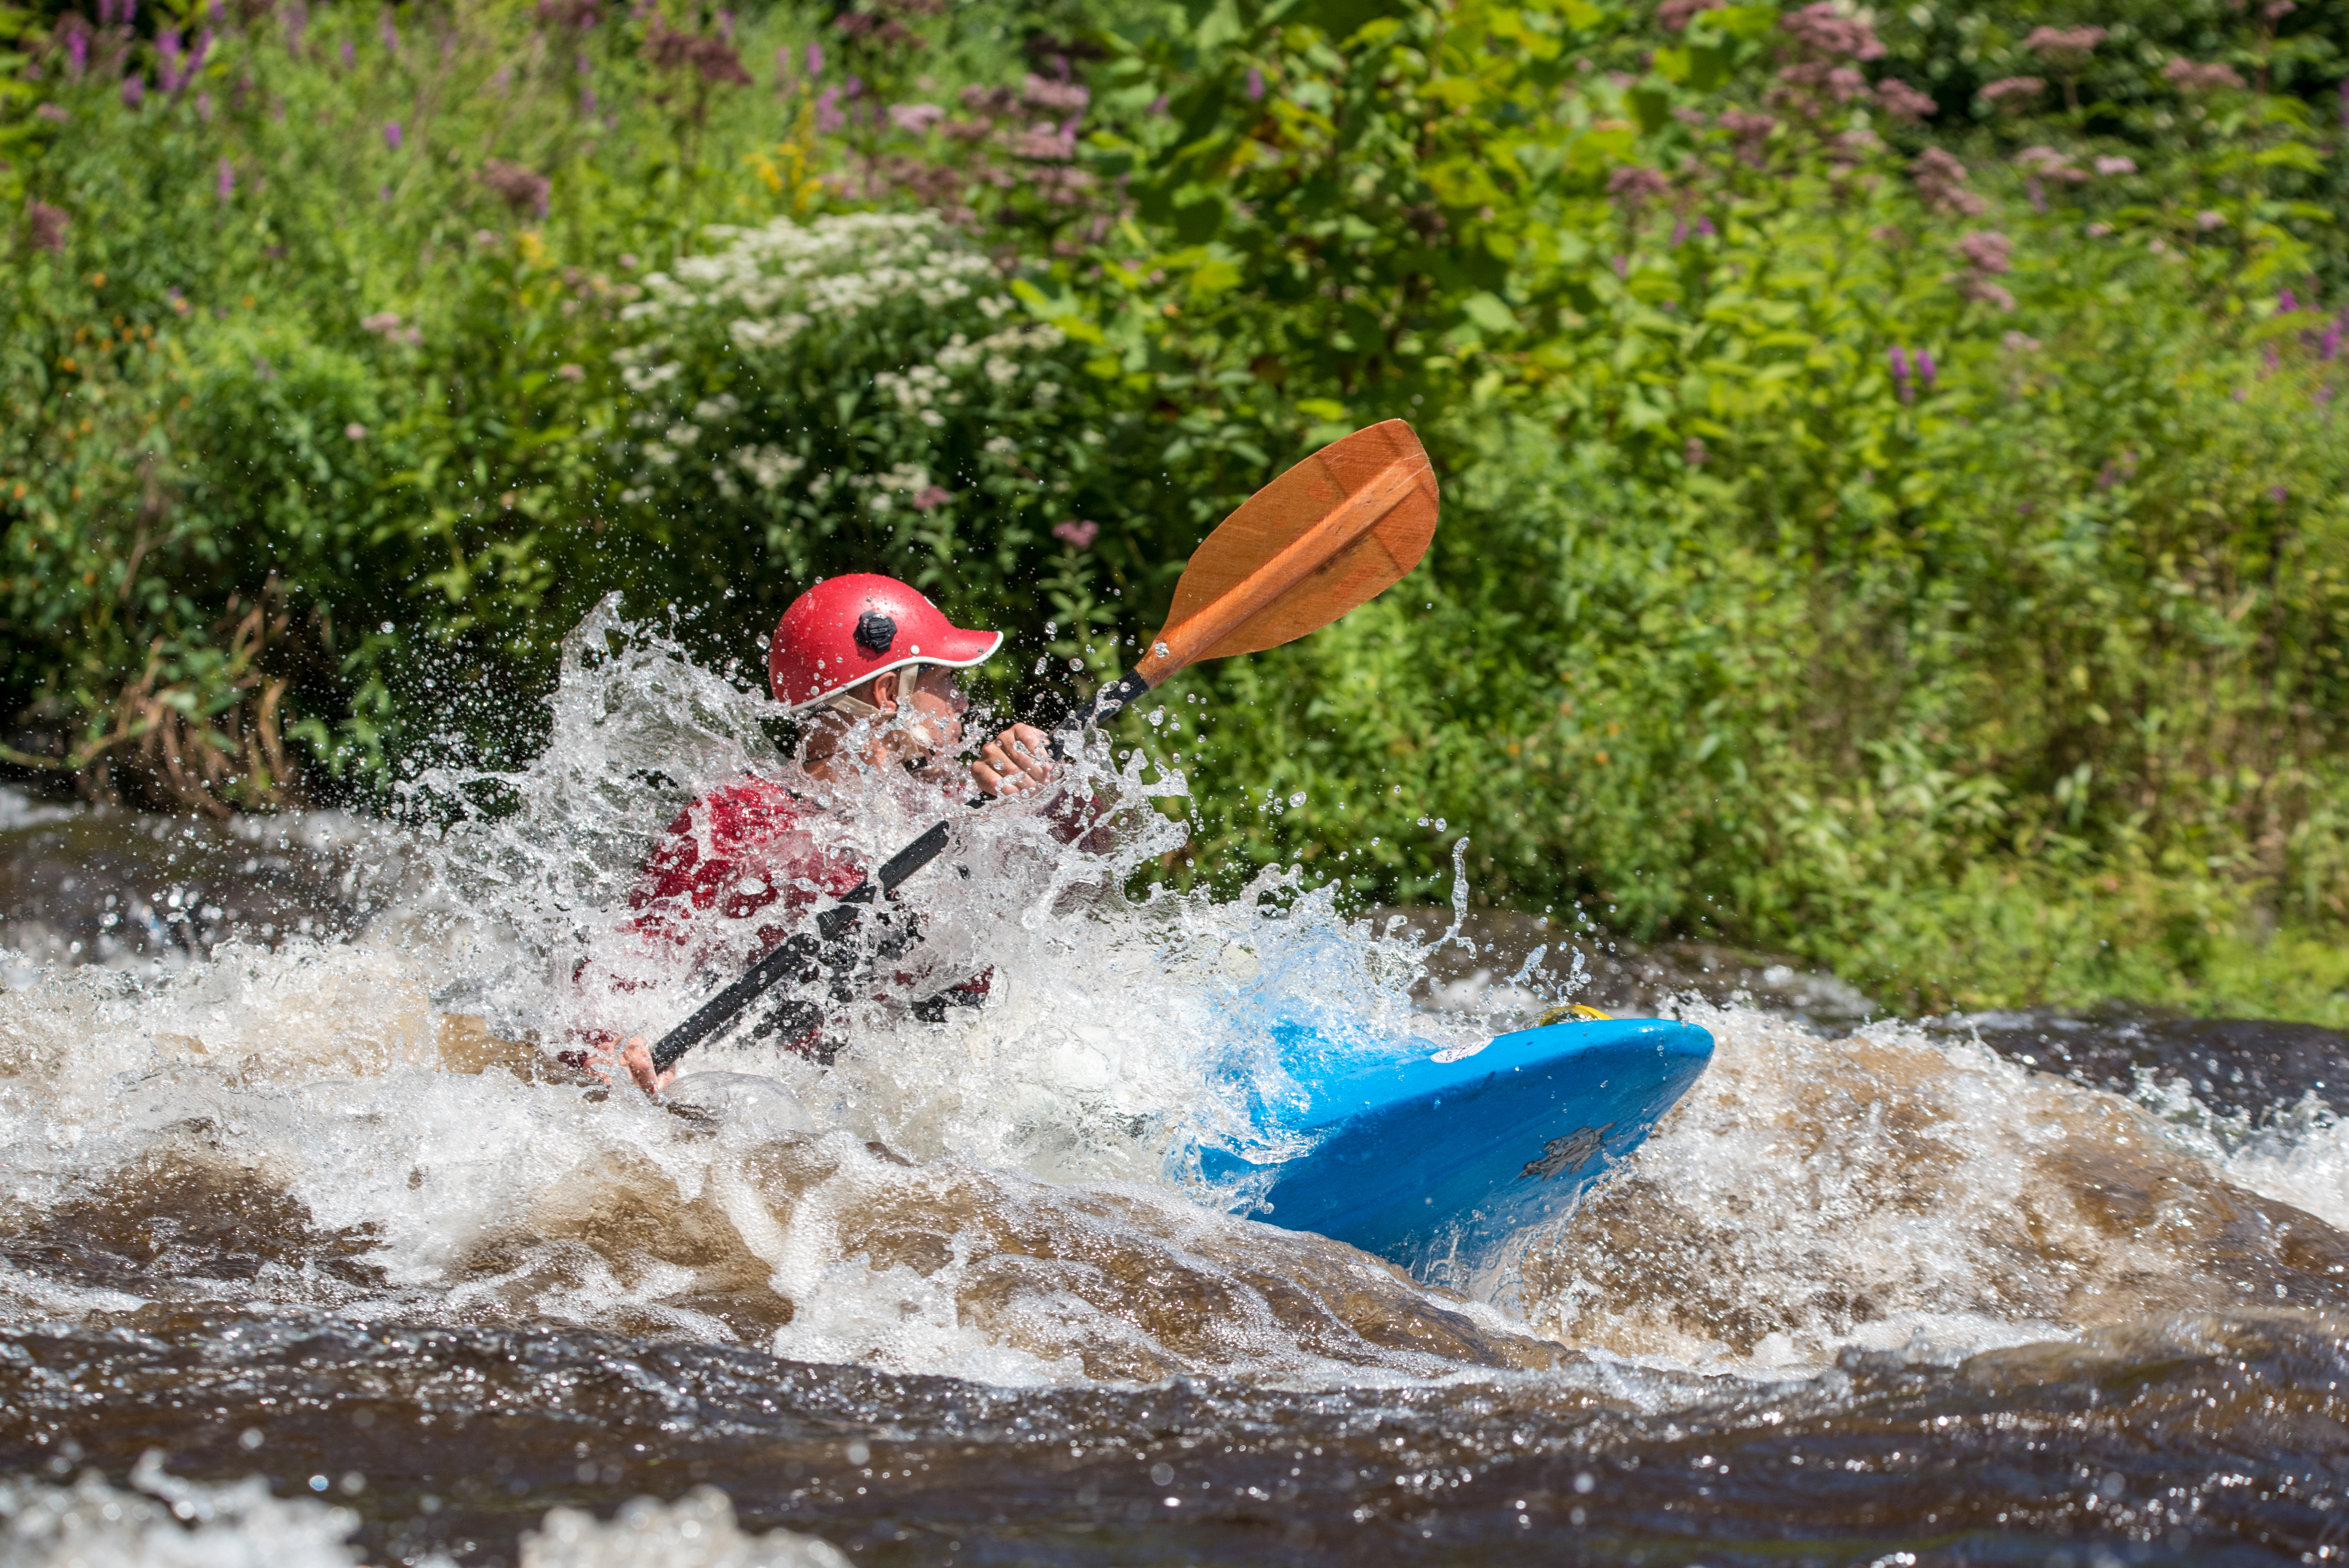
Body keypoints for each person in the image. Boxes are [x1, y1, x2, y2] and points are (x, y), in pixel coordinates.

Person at [581, 574, 1085, 1096]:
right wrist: (623, 1049)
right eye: (948, 684)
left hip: (936, 1079)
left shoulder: (954, 801)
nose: (962, 705)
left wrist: (1043, 791)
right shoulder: (737, 820)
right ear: (891, 694)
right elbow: (615, 981)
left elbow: (1082, 876)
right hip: (789, 1098)